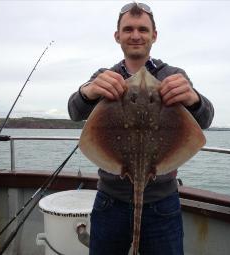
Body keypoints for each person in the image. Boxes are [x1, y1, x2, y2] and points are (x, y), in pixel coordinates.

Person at [68, 2, 214, 255]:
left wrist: (193, 99)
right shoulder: (106, 75)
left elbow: (206, 118)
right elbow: (74, 111)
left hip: (162, 202)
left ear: (154, 35)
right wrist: (88, 90)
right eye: (128, 29)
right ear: (118, 36)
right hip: (110, 201)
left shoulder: (173, 74)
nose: (136, 35)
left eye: (143, 30)